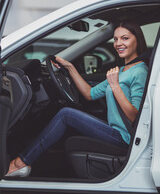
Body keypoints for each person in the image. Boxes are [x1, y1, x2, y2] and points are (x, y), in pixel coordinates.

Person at [6, 21, 148, 177]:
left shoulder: (139, 71)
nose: (118, 43)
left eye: (125, 38)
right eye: (115, 39)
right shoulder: (121, 70)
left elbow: (136, 117)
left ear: (137, 40)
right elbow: (90, 93)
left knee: (66, 114)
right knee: (67, 116)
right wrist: (69, 67)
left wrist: (115, 86)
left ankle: (20, 163)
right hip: (115, 131)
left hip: (125, 138)